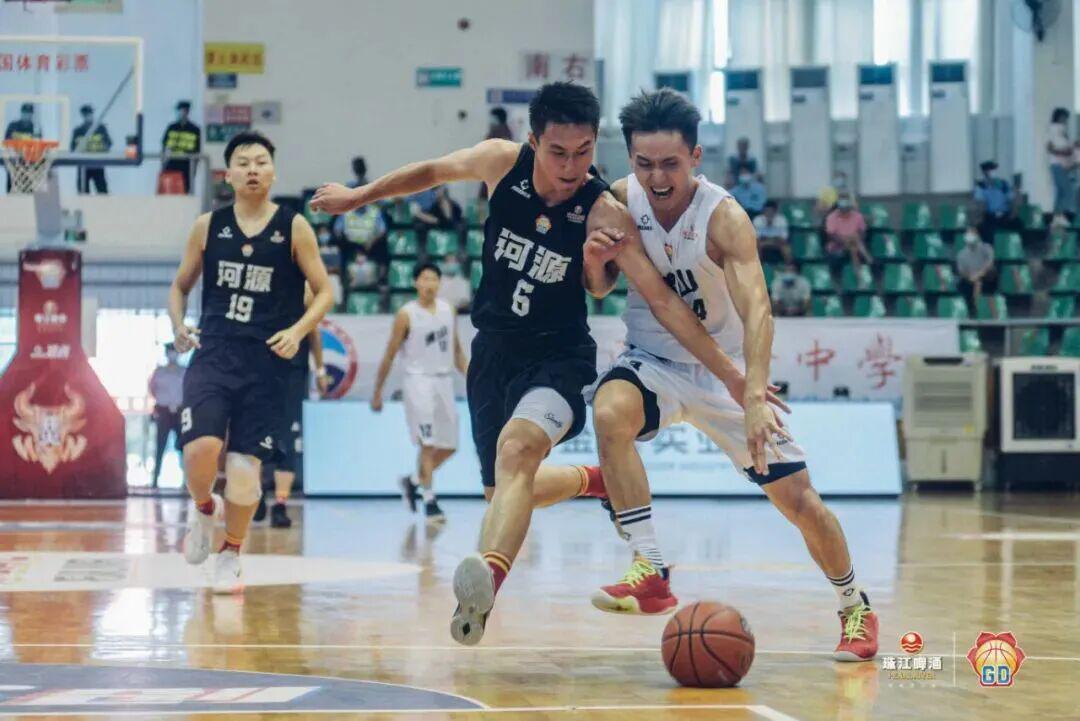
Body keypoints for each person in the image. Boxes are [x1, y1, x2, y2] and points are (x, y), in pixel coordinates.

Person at [312, 82, 767, 647]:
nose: (572, 167)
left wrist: (731, 373)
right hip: (493, 353)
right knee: (503, 492)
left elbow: (655, 297)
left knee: (517, 450)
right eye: (558, 152)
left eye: (583, 152)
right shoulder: (500, 163)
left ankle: (485, 586)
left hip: (559, 356)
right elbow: (430, 172)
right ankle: (592, 480)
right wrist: (358, 197)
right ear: (533, 142)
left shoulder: (603, 209)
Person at [585, 88, 878, 662]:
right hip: (653, 361)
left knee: (799, 501)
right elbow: (603, 290)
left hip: (726, 371)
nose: (657, 178)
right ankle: (650, 568)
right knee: (609, 411)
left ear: (696, 157)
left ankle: (854, 605)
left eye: (670, 163)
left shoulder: (723, 218)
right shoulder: (617, 201)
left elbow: (757, 309)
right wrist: (594, 265)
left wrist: (754, 392)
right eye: (644, 163)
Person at [169, 131, 333, 593]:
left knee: (244, 474)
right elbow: (180, 286)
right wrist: (178, 325)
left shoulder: (293, 226)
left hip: (267, 364)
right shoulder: (208, 226)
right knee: (199, 450)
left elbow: (325, 291)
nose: (253, 169)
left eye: (261, 161)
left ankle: (231, 553)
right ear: (229, 174)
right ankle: (204, 509)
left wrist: (298, 331)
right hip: (214, 354)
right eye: (243, 162)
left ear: (273, 172)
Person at [372, 262, 468, 525]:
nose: (429, 284)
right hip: (418, 381)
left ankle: (412, 481)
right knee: (428, 443)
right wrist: (378, 391)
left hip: (444, 381)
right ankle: (429, 500)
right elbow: (390, 354)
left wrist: (474, 379)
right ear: (416, 282)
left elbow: (457, 351)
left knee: (450, 447)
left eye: (434, 279)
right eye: (424, 279)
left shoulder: (448, 310)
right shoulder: (406, 314)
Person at [254, 286, 332, 528]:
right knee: (255, 437)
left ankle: (280, 504)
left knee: (287, 440)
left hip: (293, 374)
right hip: (260, 372)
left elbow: (314, 333)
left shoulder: (304, 291)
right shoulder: (259, 283)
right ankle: (256, 495)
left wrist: (320, 370)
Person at [148, 343, 186, 488]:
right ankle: (155, 480)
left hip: (179, 412)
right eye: (170, 351)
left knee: (183, 447)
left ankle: (186, 481)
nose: (172, 354)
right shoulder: (159, 372)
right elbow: (152, 389)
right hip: (163, 411)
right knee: (160, 446)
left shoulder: (184, 372)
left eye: (174, 351)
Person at [71, 104, 112, 195]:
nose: (89, 116)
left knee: (102, 192)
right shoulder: (78, 131)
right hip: (83, 166)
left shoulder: (100, 129)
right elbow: (73, 149)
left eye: (90, 114)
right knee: (83, 193)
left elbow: (108, 144)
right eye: (86, 114)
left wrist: (100, 151)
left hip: (97, 164)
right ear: (83, 116)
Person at [162, 100, 202, 194]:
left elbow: (197, 150)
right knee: (169, 189)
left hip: (187, 164)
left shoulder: (195, 129)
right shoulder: (172, 127)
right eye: (180, 111)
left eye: (184, 111)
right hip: (172, 162)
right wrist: (163, 163)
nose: (182, 113)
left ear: (188, 112)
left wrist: (194, 168)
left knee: (184, 190)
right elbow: (164, 146)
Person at [825, 192, 871, 269]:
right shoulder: (831, 217)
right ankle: (867, 257)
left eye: (846, 201)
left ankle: (859, 274)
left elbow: (863, 232)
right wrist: (846, 241)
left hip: (855, 244)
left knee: (853, 247)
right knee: (853, 242)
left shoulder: (858, 216)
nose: (844, 205)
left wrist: (853, 240)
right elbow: (831, 235)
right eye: (842, 201)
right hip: (838, 247)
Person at [973, 161, 1018, 240]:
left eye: (994, 169)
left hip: (1005, 216)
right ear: (984, 172)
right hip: (990, 217)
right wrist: (979, 217)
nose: (993, 172)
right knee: (984, 229)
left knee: (1019, 224)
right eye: (990, 170)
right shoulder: (981, 186)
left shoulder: (1003, 184)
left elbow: (1012, 200)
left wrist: (1013, 213)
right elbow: (981, 205)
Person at [956, 227, 996, 309]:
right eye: (968, 235)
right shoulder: (961, 254)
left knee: (985, 279)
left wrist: (979, 274)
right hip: (970, 279)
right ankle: (974, 308)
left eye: (972, 234)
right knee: (969, 284)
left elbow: (990, 263)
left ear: (977, 236)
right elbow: (962, 272)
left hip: (986, 277)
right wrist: (971, 277)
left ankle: (978, 308)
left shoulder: (986, 248)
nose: (969, 237)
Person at [1047, 108, 1076, 224]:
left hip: (1063, 165)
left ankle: (1057, 217)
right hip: (1057, 164)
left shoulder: (1062, 132)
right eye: (1064, 118)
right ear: (1059, 117)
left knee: (1060, 192)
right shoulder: (1053, 130)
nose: (1066, 120)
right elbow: (1050, 148)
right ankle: (1061, 215)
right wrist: (1064, 152)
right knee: (1067, 191)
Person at [4, 103, 39, 193]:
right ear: (21, 113)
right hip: (14, 160)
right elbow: (6, 142)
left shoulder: (35, 128)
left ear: (32, 115)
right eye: (24, 113)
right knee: (12, 185)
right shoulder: (13, 125)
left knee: (28, 186)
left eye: (29, 113)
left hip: (29, 162)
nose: (26, 115)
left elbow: (38, 144)